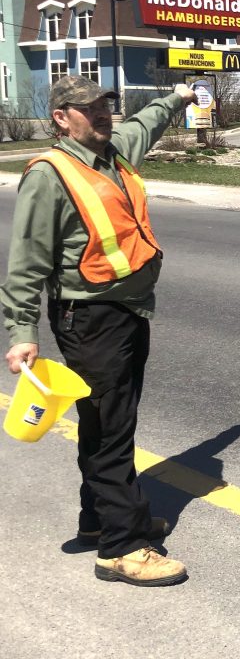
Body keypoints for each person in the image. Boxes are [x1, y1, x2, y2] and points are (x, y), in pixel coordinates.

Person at [1, 76, 197, 587]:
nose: (103, 114)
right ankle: (121, 547)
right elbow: (26, 262)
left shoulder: (113, 152)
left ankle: (98, 520)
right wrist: (23, 330)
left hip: (128, 311)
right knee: (111, 429)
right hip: (90, 318)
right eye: (89, 109)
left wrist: (177, 97)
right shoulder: (50, 174)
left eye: (105, 105)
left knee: (106, 421)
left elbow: (146, 124)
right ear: (62, 117)